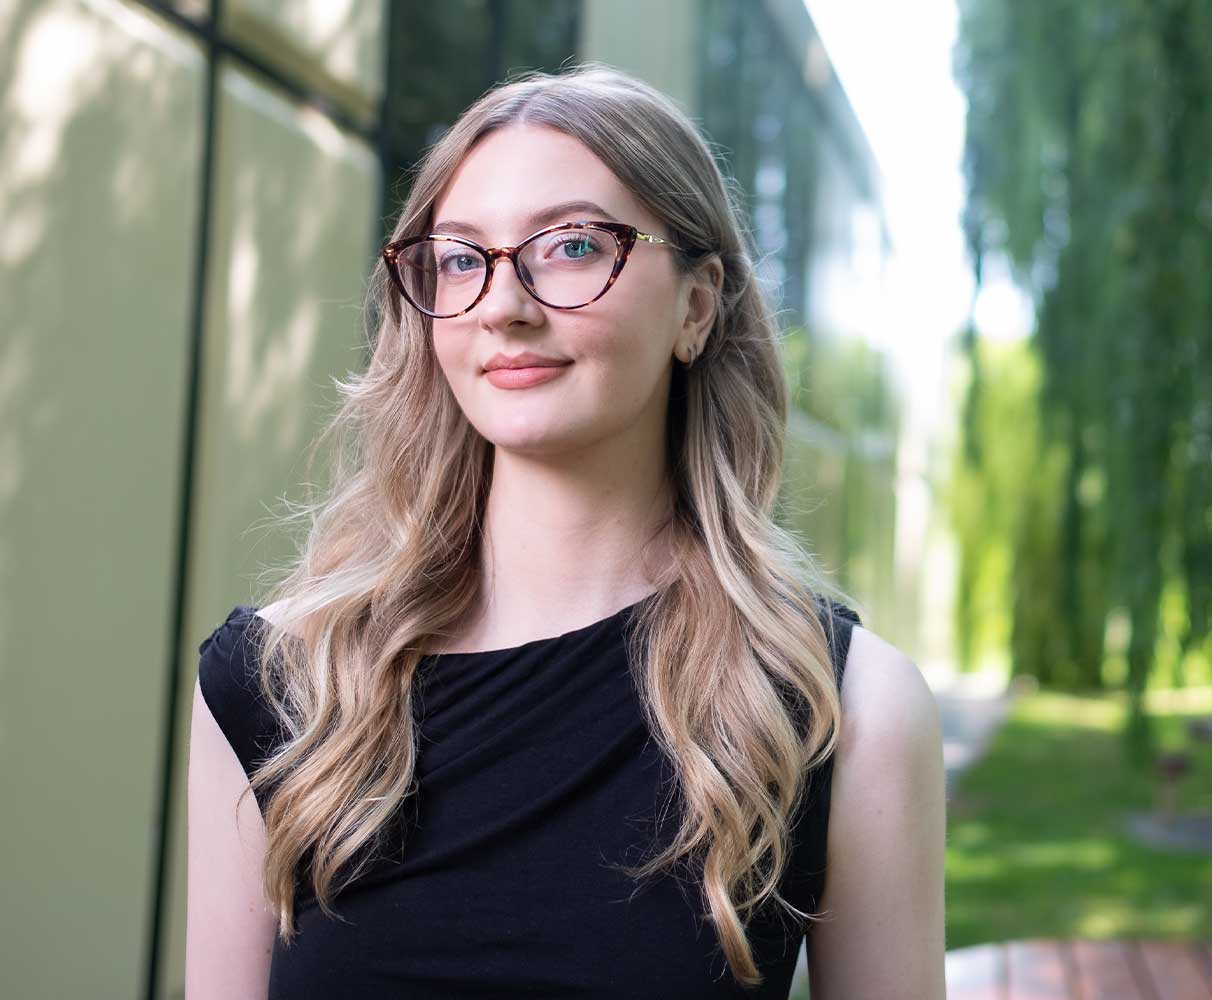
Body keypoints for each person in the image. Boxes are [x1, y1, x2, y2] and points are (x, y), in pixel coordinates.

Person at [185, 63, 944, 999]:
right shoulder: (281, 683)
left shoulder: (842, 709)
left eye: (573, 245)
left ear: (697, 306)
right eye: (462, 258)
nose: (504, 304)